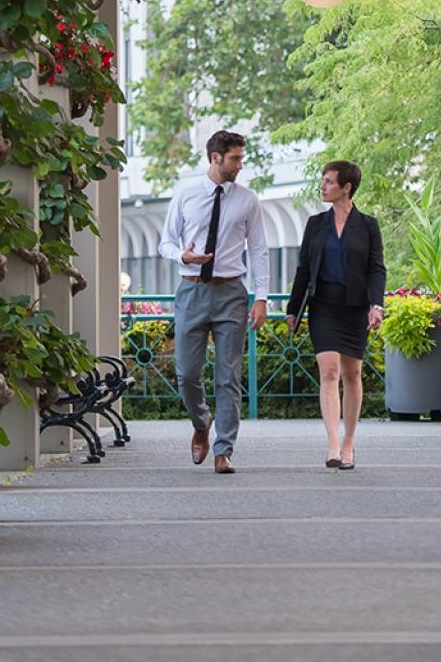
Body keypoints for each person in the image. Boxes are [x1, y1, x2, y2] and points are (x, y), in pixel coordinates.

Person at [159, 130, 268, 473]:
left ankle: (224, 450)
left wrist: (261, 297)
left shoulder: (248, 200)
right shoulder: (186, 194)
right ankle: (201, 423)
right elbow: (164, 243)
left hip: (231, 292)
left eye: (241, 158)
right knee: (186, 372)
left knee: (228, 376)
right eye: (235, 158)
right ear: (215, 158)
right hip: (191, 290)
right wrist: (183, 257)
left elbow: (259, 250)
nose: (240, 165)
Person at [286, 160, 385, 470]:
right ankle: (332, 445)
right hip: (323, 305)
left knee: (352, 374)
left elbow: (376, 269)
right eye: (323, 181)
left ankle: (349, 443)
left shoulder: (368, 225)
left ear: (347, 187)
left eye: (329, 182)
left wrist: (376, 305)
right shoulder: (316, 224)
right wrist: (293, 309)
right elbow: (303, 268)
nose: (323, 186)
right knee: (329, 372)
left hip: (355, 306)